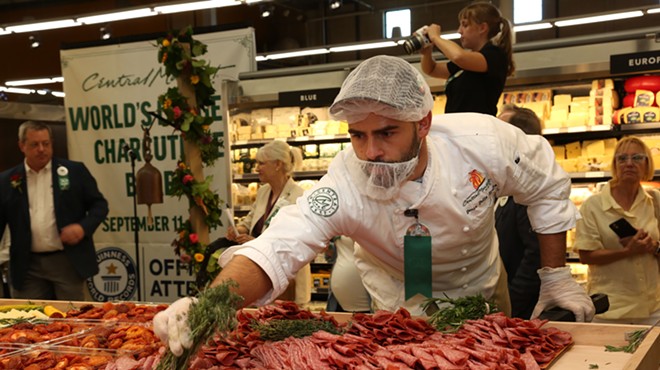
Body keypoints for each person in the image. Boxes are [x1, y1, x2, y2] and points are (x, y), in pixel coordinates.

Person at [154, 55, 594, 356]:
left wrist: (555, 277)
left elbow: (544, 189)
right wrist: (209, 303)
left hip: (482, 283)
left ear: (423, 122)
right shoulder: (344, 182)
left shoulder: (483, 142)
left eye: (386, 133)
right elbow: (280, 244)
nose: (370, 152)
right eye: (357, 135)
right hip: (398, 302)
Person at [0, 120, 109, 301]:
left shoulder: (74, 172)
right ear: (22, 146)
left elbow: (100, 205)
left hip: (66, 261)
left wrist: (82, 228)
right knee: (28, 320)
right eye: (35, 144)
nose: (42, 149)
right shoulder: (7, 180)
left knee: (74, 318)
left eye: (46, 143)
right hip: (27, 265)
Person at [198, 140, 311, 306]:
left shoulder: (299, 196)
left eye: (261, 163)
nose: (256, 168)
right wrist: (239, 229)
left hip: (288, 281)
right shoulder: (263, 191)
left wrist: (257, 243)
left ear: (278, 164)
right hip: (262, 275)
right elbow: (251, 219)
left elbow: (297, 241)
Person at [573, 136, 660, 325]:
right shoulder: (592, 206)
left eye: (637, 158)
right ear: (615, 165)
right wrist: (627, 252)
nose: (629, 163)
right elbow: (586, 257)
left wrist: (653, 246)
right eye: (622, 158)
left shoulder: (655, 201)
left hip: (652, 309)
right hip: (610, 311)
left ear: (647, 164)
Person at [419, 1, 514, 116]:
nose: (459, 31)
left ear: (482, 28)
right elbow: (431, 69)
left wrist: (436, 37)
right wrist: (427, 52)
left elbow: (458, 56)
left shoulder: (494, 55)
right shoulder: (465, 63)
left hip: (477, 128)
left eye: (465, 25)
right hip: (457, 127)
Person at [494, 104, 543, 319]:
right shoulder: (503, 182)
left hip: (520, 311)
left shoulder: (530, 186)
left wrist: (511, 305)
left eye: (499, 129)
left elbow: (535, 257)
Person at [325, 236, 371, 313]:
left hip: (367, 292)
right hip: (338, 302)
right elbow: (332, 256)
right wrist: (328, 246)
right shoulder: (339, 226)